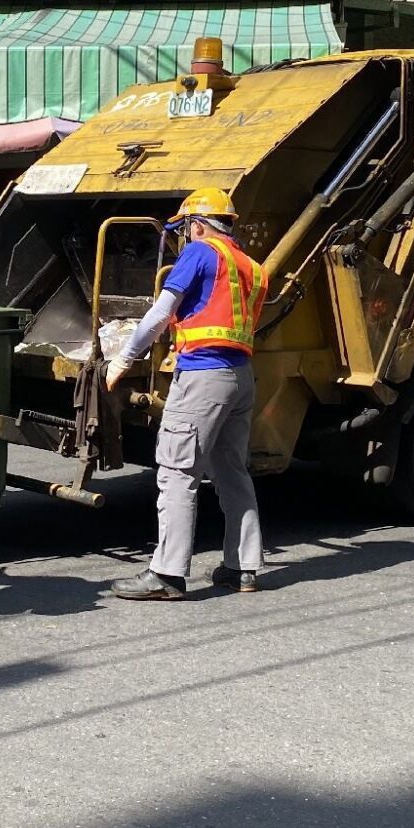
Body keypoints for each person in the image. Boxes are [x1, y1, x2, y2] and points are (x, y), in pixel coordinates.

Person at [103, 188, 268, 600]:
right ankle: (243, 567)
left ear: (197, 225)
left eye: (184, 230)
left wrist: (123, 359)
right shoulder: (252, 267)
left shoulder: (200, 252)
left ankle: (168, 574)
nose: (183, 237)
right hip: (241, 377)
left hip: (202, 375)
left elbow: (161, 313)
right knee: (231, 471)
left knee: (177, 471)